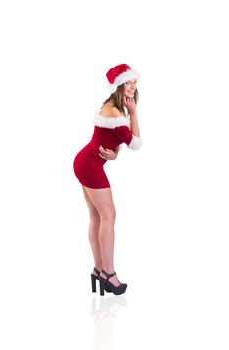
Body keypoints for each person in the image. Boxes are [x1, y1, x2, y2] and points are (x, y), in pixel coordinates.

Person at [74, 64, 142, 295]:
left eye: (135, 82)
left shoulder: (113, 108)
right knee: (109, 216)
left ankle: (98, 269)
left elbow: (113, 140)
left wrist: (114, 154)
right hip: (89, 164)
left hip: (86, 161)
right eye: (128, 82)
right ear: (119, 85)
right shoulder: (116, 112)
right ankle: (109, 273)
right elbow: (135, 143)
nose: (132, 86)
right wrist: (134, 114)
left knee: (97, 216)